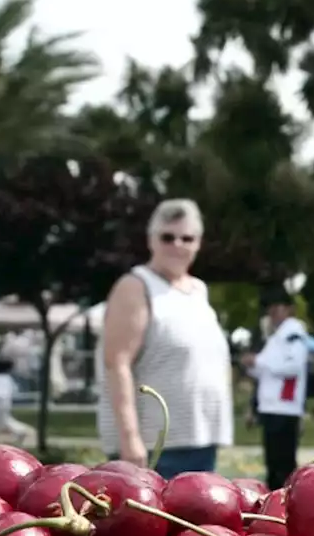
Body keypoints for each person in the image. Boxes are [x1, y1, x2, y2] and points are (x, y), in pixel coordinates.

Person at [98, 199, 233, 478]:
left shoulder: (198, 290)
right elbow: (116, 363)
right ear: (151, 240)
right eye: (167, 237)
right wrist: (130, 438)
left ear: (198, 243)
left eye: (187, 238)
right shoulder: (135, 286)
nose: (178, 245)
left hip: (200, 440)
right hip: (155, 448)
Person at [243, 288, 309, 490]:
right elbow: (266, 372)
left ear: (288, 310)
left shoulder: (293, 334)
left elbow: (293, 366)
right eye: (270, 310)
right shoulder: (276, 337)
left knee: (284, 463)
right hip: (271, 406)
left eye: (277, 309)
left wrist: (259, 362)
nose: (273, 314)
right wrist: (252, 365)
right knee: (273, 463)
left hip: (284, 406)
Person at [0, 358, 34, 446]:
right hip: (6, 403)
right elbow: (15, 390)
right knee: (1, 420)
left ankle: (19, 431)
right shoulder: (8, 378)